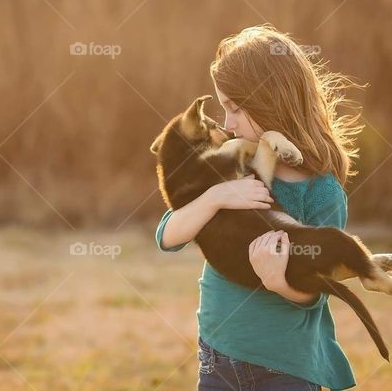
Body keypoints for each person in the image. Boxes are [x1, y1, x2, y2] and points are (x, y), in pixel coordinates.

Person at [156, 25, 364, 391]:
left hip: (285, 369)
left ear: (271, 102)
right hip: (217, 359)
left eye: (234, 108)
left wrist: (278, 283)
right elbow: (168, 236)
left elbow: (317, 292)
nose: (226, 123)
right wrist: (217, 197)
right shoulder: (225, 171)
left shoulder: (320, 192)